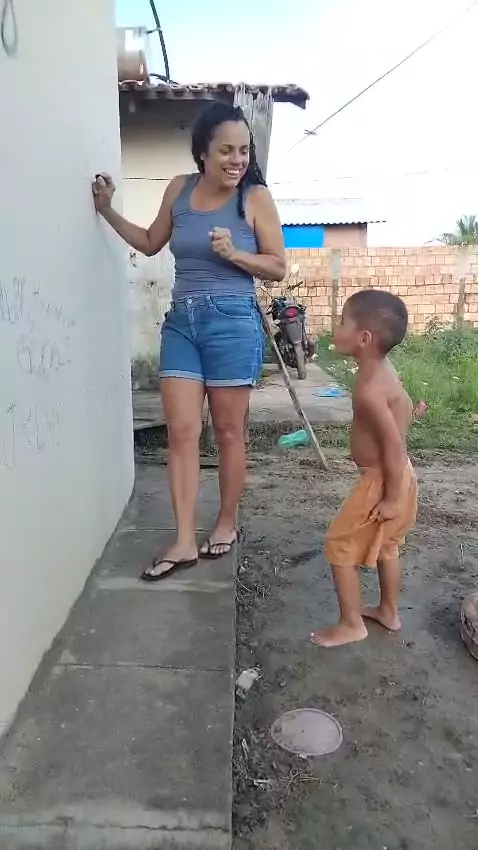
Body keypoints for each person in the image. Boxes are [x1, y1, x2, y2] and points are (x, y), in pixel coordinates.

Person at [92, 102, 286, 580]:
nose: (237, 160)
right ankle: (182, 540)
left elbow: (278, 267)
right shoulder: (179, 189)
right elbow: (150, 241)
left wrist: (236, 253)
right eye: (226, 150)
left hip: (232, 322)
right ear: (202, 152)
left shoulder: (254, 197)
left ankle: (225, 522)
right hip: (182, 322)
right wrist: (106, 210)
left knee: (228, 432)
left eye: (243, 150)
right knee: (181, 431)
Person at [310, 289, 418, 648]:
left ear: (364, 338)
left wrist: (390, 498)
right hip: (400, 474)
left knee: (339, 544)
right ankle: (388, 611)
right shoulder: (384, 371)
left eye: (342, 321)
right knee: (387, 545)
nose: (335, 327)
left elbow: (392, 446)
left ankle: (351, 623)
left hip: (382, 479)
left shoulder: (369, 389)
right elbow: (401, 407)